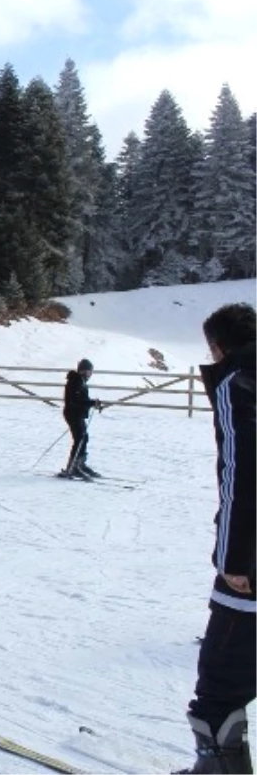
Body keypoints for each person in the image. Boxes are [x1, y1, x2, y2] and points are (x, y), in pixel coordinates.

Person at [173, 303, 257, 775]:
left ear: (218, 346)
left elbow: (242, 475)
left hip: (252, 565)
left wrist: (233, 560)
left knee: (221, 677)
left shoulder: (237, 384)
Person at [60, 358, 102, 478]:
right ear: (84, 371)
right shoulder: (76, 381)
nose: (90, 374)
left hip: (77, 414)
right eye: (89, 371)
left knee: (84, 438)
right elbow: (76, 401)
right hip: (72, 414)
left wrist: (93, 403)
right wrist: (91, 403)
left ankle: (80, 464)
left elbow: (82, 400)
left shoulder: (80, 381)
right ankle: (72, 467)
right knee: (79, 440)